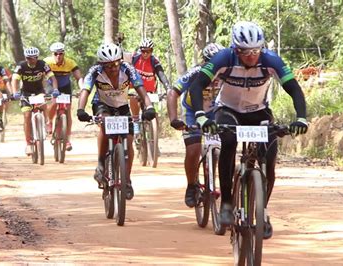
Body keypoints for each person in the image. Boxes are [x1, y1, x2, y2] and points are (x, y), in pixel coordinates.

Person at [189, 21, 308, 239]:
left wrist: (301, 117)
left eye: (256, 51)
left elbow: (294, 89)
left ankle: (261, 211)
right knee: (229, 141)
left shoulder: (271, 60)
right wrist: (201, 115)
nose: (252, 56)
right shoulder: (223, 58)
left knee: (269, 159)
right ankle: (226, 203)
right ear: (236, 49)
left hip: (258, 112)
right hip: (228, 110)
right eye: (245, 52)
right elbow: (197, 85)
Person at [76, 43, 156, 200]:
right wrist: (80, 109)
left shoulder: (128, 69)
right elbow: (85, 90)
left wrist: (149, 107)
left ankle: (127, 179)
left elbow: (141, 90)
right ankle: (100, 164)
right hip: (102, 104)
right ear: (101, 64)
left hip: (122, 105)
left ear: (120, 61)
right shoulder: (95, 71)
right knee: (105, 125)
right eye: (108, 65)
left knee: (129, 140)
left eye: (115, 64)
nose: (113, 68)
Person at [167, 43, 224, 208]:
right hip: (193, 112)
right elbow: (173, 93)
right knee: (193, 150)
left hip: (216, 112)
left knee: (221, 149)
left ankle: (211, 178)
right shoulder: (195, 72)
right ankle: (191, 185)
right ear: (204, 62)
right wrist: (173, 119)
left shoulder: (227, 73)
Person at [12, 47, 58, 155]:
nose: (31, 60)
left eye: (33, 58)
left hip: (39, 92)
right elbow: (15, 79)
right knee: (27, 116)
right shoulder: (21, 66)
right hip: (25, 93)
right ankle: (28, 144)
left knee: (43, 104)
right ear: (25, 58)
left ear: (37, 57)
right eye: (28, 58)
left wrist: (55, 89)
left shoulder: (42, 64)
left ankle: (47, 122)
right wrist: (15, 92)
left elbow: (52, 78)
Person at [44, 42, 84, 151]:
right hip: (51, 85)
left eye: (61, 53)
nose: (58, 56)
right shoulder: (46, 62)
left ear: (63, 53)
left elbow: (78, 77)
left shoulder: (70, 62)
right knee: (53, 102)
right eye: (56, 54)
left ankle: (67, 139)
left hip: (65, 86)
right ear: (52, 54)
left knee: (67, 112)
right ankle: (49, 121)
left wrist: (82, 88)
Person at [128, 38, 171, 121]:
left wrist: (168, 88)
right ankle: (136, 121)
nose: (145, 54)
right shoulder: (135, 58)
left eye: (148, 51)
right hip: (135, 88)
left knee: (151, 110)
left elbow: (161, 75)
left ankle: (154, 128)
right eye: (143, 51)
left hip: (149, 90)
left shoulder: (154, 61)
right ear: (140, 50)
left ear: (152, 51)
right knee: (133, 98)